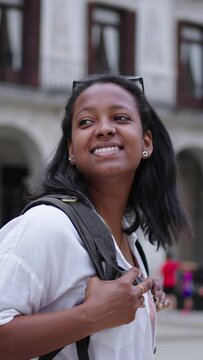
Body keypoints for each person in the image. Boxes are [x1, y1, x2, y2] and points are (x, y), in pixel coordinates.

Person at [0, 73, 191, 360]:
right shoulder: (47, 226)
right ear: (71, 150)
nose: (103, 129)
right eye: (86, 122)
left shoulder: (130, 238)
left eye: (121, 118)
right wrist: (92, 315)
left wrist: (142, 303)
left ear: (146, 142)